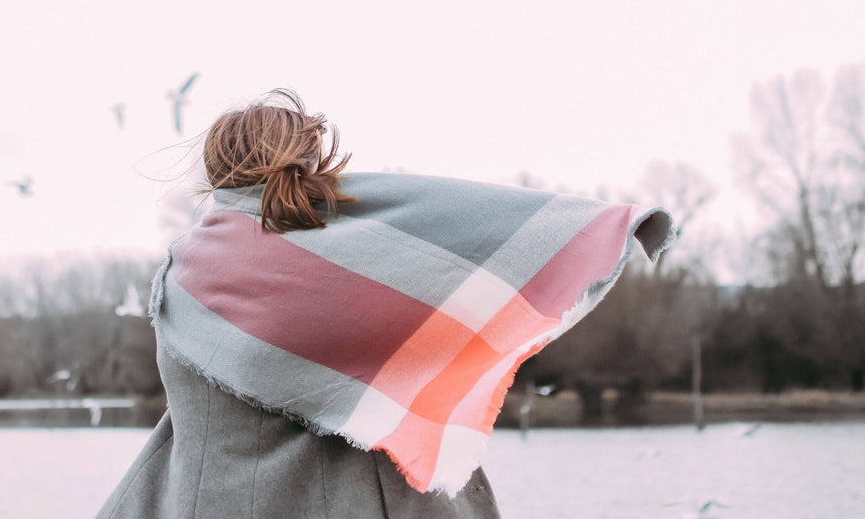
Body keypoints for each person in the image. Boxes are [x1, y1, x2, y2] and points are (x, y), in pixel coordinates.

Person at [98, 90, 673, 519]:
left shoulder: (182, 274)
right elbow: (460, 225)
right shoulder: (359, 267)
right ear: (312, 160)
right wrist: (602, 229)